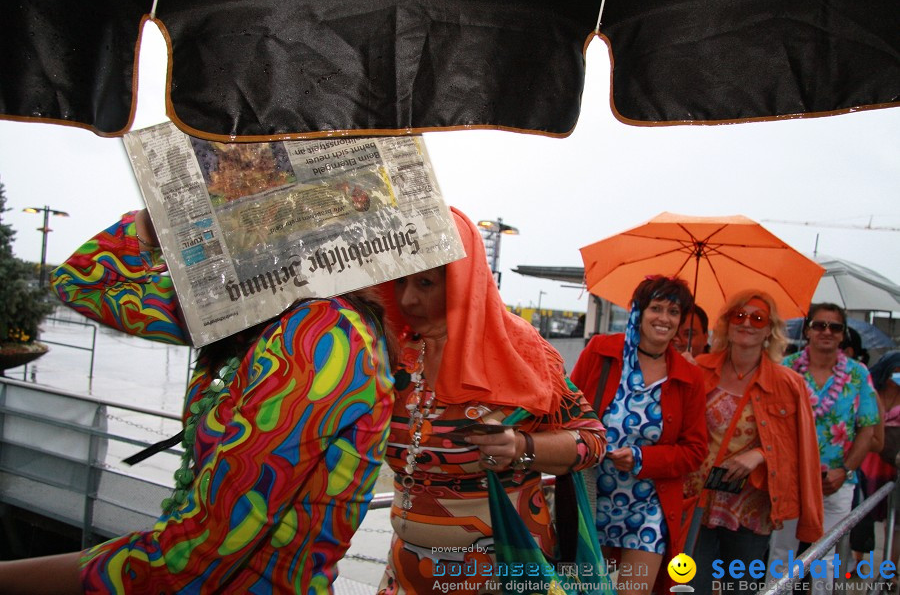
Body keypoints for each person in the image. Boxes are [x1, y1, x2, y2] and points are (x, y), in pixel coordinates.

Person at [0, 209, 394, 593]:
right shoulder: (237, 310)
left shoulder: (322, 336)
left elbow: (195, 556)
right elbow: (81, 284)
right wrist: (155, 221)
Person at [375, 208, 607, 595]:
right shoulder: (393, 353)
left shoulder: (521, 351)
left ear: (463, 282)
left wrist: (521, 447)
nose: (408, 299)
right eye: (399, 282)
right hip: (406, 573)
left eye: (426, 283)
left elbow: (593, 440)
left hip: (506, 573)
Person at [570, 275, 708, 595]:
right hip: (593, 496)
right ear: (638, 311)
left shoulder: (689, 377)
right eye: (656, 308)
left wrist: (642, 458)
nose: (664, 318)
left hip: (648, 506)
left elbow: (695, 450)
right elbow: (567, 411)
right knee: (588, 590)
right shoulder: (601, 351)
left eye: (673, 312)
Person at [685, 291, 824, 595]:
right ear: (727, 324)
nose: (747, 323)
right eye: (739, 315)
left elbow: (801, 449)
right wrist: (678, 373)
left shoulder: (788, 383)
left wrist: (760, 455)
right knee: (692, 588)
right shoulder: (698, 368)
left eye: (757, 318)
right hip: (697, 499)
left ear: (769, 330)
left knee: (742, 590)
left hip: (751, 508)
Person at [769, 302, 879, 595]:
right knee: (782, 554)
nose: (826, 332)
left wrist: (845, 470)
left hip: (836, 481)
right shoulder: (786, 369)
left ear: (843, 335)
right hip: (791, 480)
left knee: (826, 557)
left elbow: (867, 429)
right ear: (807, 331)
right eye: (819, 325)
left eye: (835, 327)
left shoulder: (857, 374)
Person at [849, 351, 900, 573]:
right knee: (862, 514)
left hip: (894, 460)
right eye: (897, 370)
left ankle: (889, 569)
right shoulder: (873, 391)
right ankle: (858, 561)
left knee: (895, 520)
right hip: (868, 459)